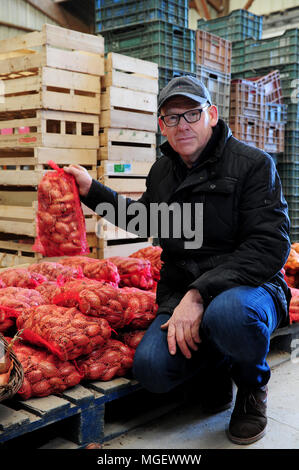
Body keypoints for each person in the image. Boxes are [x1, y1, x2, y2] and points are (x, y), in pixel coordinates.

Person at [64, 75, 291, 445]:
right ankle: (217, 365)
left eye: (192, 114)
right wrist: (92, 191)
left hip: (248, 288)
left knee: (230, 315)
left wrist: (200, 294)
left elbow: (269, 246)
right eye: (172, 117)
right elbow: (145, 219)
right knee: (152, 370)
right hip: (184, 289)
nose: (182, 125)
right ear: (161, 126)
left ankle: (251, 388)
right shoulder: (163, 172)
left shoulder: (252, 165)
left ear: (212, 115)